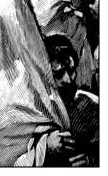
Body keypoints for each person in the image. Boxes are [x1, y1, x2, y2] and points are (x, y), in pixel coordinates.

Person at [24, 36, 98, 166]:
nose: (68, 79)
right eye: (59, 73)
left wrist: (92, 161)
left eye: (71, 71)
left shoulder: (90, 106)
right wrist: (45, 147)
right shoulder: (29, 109)